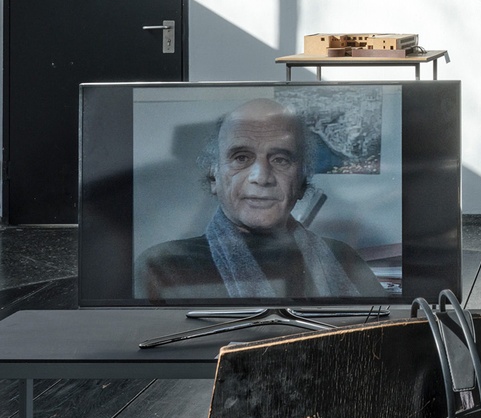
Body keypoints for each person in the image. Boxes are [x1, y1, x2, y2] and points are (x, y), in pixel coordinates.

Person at [134, 98, 386, 301]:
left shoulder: (342, 258)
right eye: (241, 158)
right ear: (213, 178)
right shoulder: (163, 266)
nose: (261, 177)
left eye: (281, 160)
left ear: (302, 182)